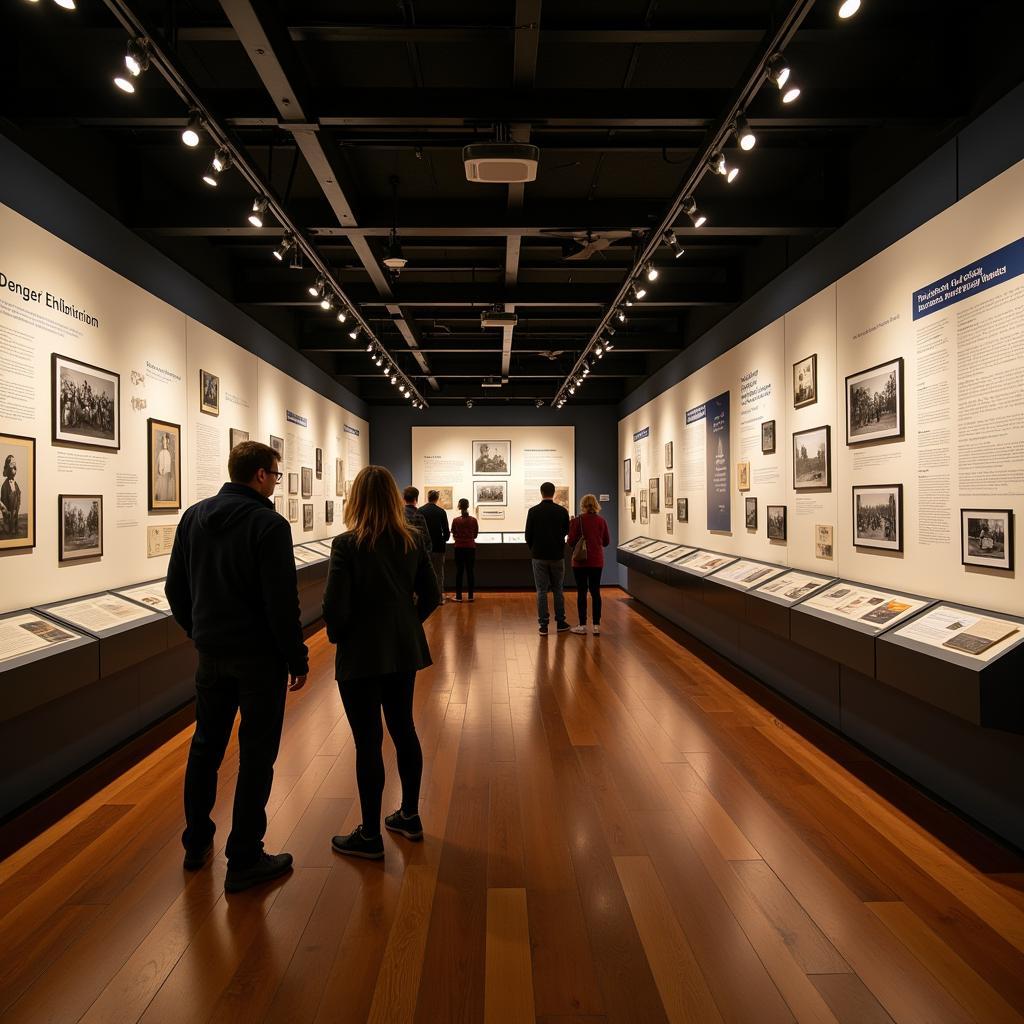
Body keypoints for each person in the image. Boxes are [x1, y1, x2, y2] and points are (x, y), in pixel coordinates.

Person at [165, 441, 308, 893]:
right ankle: (244, 855)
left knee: (205, 747)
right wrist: (296, 657)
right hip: (260, 659)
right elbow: (281, 602)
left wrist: (199, 632)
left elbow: (175, 588)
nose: (276, 483)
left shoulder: (193, 517)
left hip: (212, 654)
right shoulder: (268, 524)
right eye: (277, 475)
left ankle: (195, 842)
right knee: (257, 754)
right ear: (262, 475)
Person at [322, 466, 440, 859]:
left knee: (368, 741)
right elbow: (431, 595)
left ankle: (370, 834)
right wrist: (406, 625)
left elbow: (334, 608)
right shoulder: (412, 541)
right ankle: (409, 814)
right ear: (393, 498)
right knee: (403, 728)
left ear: (356, 499)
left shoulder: (346, 545)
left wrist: (342, 635)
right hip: (402, 651)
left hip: (360, 654)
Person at [525, 481, 570, 635]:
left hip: (539, 556)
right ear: (554, 493)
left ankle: (543, 624)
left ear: (541, 492)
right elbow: (566, 531)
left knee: (541, 591)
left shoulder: (533, 511)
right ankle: (561, 622)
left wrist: (535, 549)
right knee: (558, 589)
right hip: (557, 556)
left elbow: (528, 535)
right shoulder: (562, 511)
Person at [567, 494, 611, 635]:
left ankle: (582, 625)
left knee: (581, 592)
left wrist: (571, 526)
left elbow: (570, 542)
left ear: (583, 505)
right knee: (595, 592)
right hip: (596, 561)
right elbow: (606, 542)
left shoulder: (577, 521)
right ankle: (596, 626)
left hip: (580, 562)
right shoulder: (601, 521)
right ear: (596, 504)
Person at [418, 489, 451, 602]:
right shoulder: (441, 511)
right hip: (438, 546)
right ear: (437, 499)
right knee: (439, 573)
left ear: (428, 497)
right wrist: (445, 539)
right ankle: (439, 597)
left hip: (424, 547)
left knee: (423, 572)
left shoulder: (421, 510)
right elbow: (446, 531)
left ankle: (425, 598)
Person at [450, 497, 478, 602]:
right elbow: (475, 535)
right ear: (468, 506)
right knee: (470, 571)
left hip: (459, 548)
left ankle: (458, 596)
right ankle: (470, 596)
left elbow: (453, 532)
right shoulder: (473, 520)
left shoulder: (456, 520)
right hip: (470, 547)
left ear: (459, 507)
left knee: (459, 572)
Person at [1, 454, 21, 537]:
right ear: (7, 467)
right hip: (8, 519)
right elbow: (3, 504)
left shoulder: (16, 484)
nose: (15, 467)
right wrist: (7, 513)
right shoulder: (5, 486)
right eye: (12, 464)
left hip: (15, 516)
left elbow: (18, 497)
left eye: (15, 464)